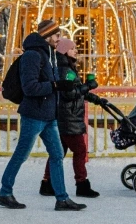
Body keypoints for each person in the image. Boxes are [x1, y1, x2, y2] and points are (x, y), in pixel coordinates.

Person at [0, 20, 87, 211]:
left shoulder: (49, 55)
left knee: (57, 155)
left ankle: (62, 198)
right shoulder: (32, 56)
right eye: (56, 35)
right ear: (46, 36)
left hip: (49, 116)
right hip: (34, 115)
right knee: (21, 154)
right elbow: (30, 87)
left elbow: (50, 83)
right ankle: (5, 192)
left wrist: (64, 85)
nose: (58, 39)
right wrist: (55, 85)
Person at [40, 38, 100, 198]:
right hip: (69, 117)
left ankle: (47, 183)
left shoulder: (66, 68)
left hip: (64, 116)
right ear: (64, 51)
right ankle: (81, 184)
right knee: (80, 150)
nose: (76, 51)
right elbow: (68, 93)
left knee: (58, 152)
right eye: (72, 48)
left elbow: (76, 90)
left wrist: (96, 99)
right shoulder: (65, 70)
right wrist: (88, 86)